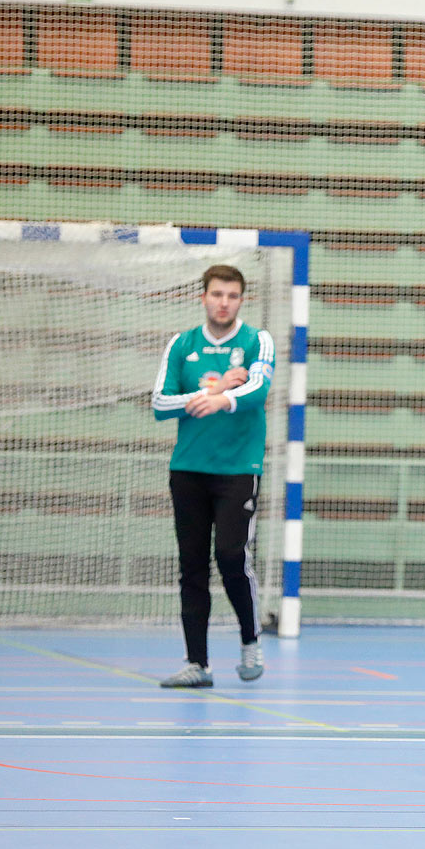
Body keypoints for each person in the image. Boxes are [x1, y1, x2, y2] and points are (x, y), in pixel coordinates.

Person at [151, 265, 275, 688]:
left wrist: (224, 399)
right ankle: (197, 663)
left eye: (233, 296)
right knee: (192, 567)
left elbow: (258, 390)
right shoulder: (182, 344)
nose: (224, 302)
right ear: (203, 297)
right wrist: (215, 390)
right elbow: (160, 404)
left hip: (237, 469)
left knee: (230, 555)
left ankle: (249, 640)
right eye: (217, 294)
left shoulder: (257, 340)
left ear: (241, 300)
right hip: (187, 469)